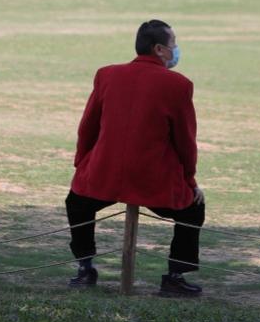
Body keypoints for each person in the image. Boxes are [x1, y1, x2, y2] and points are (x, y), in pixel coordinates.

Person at [65, 19, 205, 298]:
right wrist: (190, 181)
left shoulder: (107, 75)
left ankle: (85, 267)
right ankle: (175, 276)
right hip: (154, 178)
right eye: (173, 44)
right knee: (192, 210)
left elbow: (87, 127)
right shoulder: (179, 85)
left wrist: (82, 165)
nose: (176, 49)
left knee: (77, 204)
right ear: (159, 50)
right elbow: (185, 141)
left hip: (104, 173)